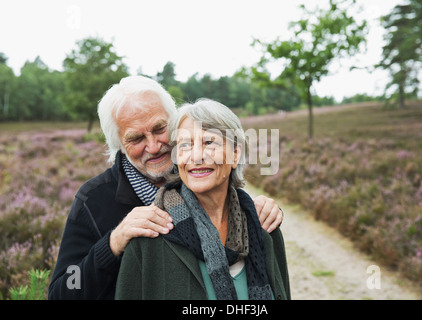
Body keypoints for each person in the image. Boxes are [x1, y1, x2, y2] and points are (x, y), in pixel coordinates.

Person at [48, 76, 284, 300]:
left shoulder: (196, 176)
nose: (153, 146)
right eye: (136, 138)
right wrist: (112, 245)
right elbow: (63, 291)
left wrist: (254, 210)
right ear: (119, 145)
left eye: (160, 129)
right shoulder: (93, 200)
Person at [115, 98, 290, 300]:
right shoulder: (150, 236)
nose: (196, 156)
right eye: (185, 145)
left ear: (235, 153)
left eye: (209, 142)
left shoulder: (263, 226)